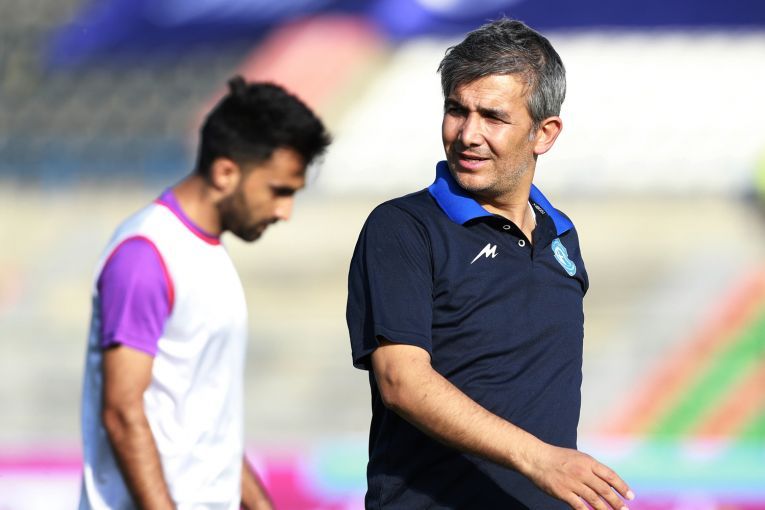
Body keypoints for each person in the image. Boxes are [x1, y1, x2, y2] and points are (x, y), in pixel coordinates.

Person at [347, 18, 634, 510]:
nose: (468, 134)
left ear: (544, 133)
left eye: (493, 117)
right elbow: (401, 382)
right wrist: (540, 460)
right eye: (457, 110)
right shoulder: (404, 227)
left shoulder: (562, 237)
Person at [79, 76, 330, 509]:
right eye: (279, 191)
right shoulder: (146, 254)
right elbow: (122, 413)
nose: (285, 211)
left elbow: (210, 429)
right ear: (225, 172)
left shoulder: (208, 255)